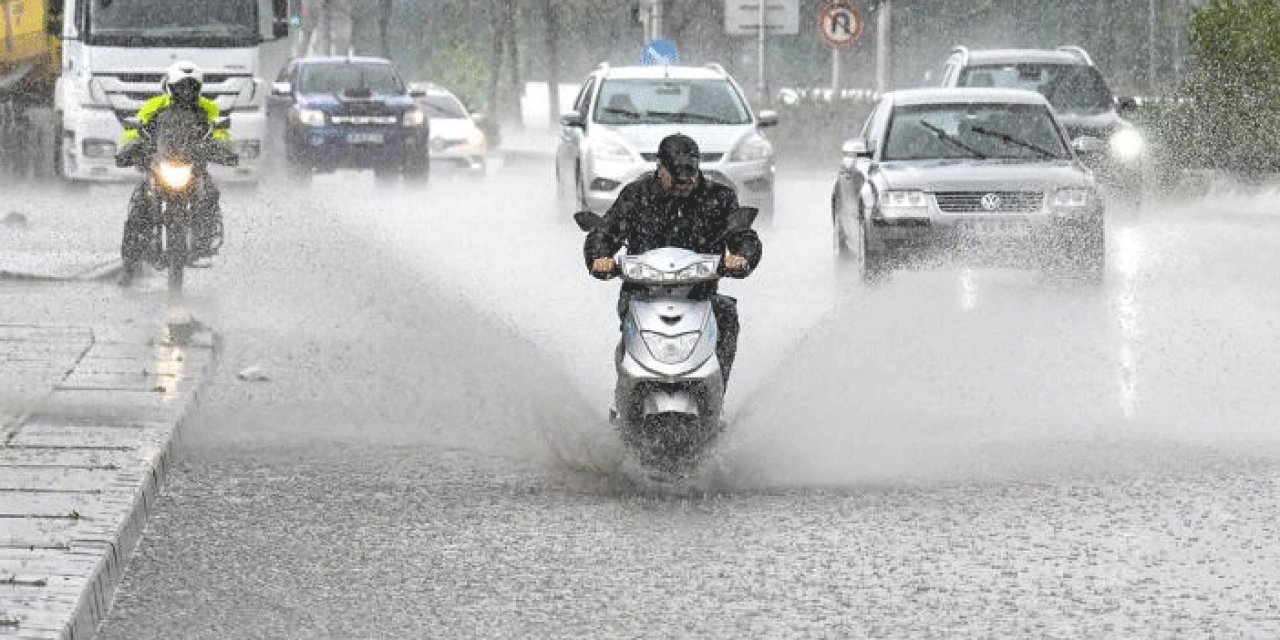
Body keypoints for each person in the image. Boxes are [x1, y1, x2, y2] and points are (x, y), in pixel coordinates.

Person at [583, 133, 762, 385]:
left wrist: (743, 256)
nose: (684, 182)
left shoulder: (719, 198)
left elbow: (741, 233)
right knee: (629, 313)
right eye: (676, 176)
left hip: (700, 295)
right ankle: (627, 384)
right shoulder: (636, 195)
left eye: (690, 175)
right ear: (660, 167)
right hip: (642, 293)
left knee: (726, 315)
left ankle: (717, 390)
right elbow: (606, 232)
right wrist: (599, 256)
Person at [119, 60, 228, 284]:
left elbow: (220, 134)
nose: (185, 92)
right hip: (161, 166)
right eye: (180, 86)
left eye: (191, 87)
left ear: (198, 88)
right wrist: (131, 148)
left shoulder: (209, 108)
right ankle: (129, 265)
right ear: (170, 86)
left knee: (210, 195)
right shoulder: (155, 106)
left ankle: (203, 241)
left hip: (193, 168)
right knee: (139, 205)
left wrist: (222, 149)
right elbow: (134, 130)